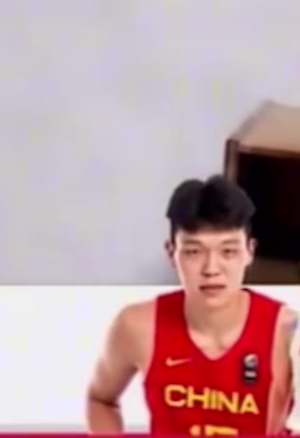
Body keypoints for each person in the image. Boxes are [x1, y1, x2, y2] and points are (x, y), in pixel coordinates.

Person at [86, 176, 295, 434]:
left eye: (228, 251)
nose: (211, 269)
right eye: (194, 252)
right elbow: (100, 399)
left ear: (249, 252)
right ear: (171, 253)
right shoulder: (136, 326)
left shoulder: (288, 332)